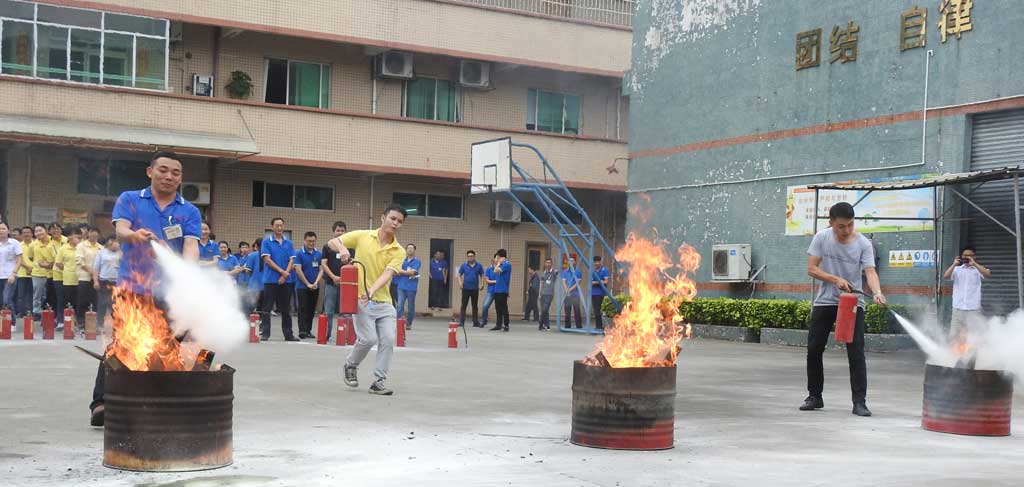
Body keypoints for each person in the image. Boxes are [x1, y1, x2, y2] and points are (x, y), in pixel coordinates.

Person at [89, 150, 203, 427]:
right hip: (132, 287)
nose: (169, 176)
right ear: (150, 172)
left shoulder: (189, 210)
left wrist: (184, 271)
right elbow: (121, 231)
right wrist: (135, 236)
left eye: (175, 173)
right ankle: (101, 402)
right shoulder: (130, 199)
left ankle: (172, 402)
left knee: (177, 344)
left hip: (170, 292)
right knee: (121, 343)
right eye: (163, 170)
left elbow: (191, 247)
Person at [801, 202, 885, 418]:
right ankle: (814, 396)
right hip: (825, 301)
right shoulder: (821, 237)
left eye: (849, 225)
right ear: (831, 223)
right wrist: (835, 278)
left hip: (852, 302)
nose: (845, 230)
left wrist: (877, 292)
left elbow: (870, 272)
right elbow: (812, 268)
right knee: (814, 348)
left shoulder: (863, 244)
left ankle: (859, 402)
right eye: (841, 226)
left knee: (855, 352)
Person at [330, 204, 407, 395]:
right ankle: (350, 365)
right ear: (383, 218)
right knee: (368, 339)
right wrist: (342, 248)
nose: (395, 223)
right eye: (393, 218)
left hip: (384, 301)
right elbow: (333, 242)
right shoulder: (363, 236)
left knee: (388, 339)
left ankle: (378, 381)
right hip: (361, 300)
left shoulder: (399, 251)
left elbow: (388, 274)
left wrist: (372, 290)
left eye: (399, 221)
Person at [943, 245, 991, 342]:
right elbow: (946, 276)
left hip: (973, 309)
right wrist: (953, 264)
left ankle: (972, 356)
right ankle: (955, 356)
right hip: (958, 309)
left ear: (974, 257)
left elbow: (987, 274)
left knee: (973, 336)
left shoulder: (978, 270)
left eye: (970, 255)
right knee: (954, 336)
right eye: (965, 255)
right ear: (961, 256)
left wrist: (974, 264)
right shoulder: (956, 269)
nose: (967, 257)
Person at [260, 218, 297, 341]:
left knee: (286, 309)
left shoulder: (289, 243)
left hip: (287, 280)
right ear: (272, 227)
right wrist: (282, 272)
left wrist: (286, 274)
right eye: (277, 225)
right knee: (267, 308)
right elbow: (267, 260)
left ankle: (289, 334)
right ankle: (265, 333)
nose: (280, 228)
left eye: (281, 225)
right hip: (271, 280)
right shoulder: (266, 242)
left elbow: (292, 260)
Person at [320, 221, 347, 341]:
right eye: (338, 230)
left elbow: (353, 263)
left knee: (345, 312)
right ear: (333, 232)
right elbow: (324, 264)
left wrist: (344, 278)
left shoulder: (349, 247)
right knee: (329, 311)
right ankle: (327, 335)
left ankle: (344, 336)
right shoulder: (327, 246)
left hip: (345, 285)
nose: (340, 233)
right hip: (331, 283)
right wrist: (333, 277)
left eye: (342, 230)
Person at [294, 231, 323, 340]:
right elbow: (298, 270)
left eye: (313, 241)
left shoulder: (319, 254)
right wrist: (307, 283)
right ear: (304, 241)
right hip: (302, 286)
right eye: (309, 241)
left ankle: (308, 330)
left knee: (311, 309)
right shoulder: (299, 253)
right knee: (302, 308)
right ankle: (302, 330)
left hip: (315, 286)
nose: (311, 243)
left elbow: (321, 270)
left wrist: (316, 283)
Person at [26, 224, 57, 319]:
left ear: (46, 231)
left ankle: (49, 312)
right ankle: (36, 312)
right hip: (38, 273)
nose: (38, 233)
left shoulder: (53, 242)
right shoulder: (33, 244)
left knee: (49, 294)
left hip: (52, 273)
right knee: (37, 294)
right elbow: (30, 257)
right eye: (36, 231)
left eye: (40, 230)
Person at [75, 226, 101, 328]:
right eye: (92, 232)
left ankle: (92, 323)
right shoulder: (81, 246)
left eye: (96, 232)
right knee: (82, 300)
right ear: (88, 233)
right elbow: (79, 260)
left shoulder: (101, 247)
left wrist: (95, 274)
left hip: (96, 279)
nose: (94, 234)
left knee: (94, 300)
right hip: (84, 277)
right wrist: (91, 271)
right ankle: (80, 321)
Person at [92, 237, 120, 331]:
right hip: (104, 280)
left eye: (116, 242)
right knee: (102, 303)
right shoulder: (101, 253)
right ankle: (99, 324)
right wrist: (95, 281)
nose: (114, 243)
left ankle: (116, 325)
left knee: (115, 304)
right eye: (112, 241)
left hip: (117, 282)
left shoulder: (121, 253)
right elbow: (96, 267)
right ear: (108, 242)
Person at [54, 226, 81, 324]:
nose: (78, 238)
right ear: (69, 237)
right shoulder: (63, 248)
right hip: (67, 279)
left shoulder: (81, 247)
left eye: (79, 236)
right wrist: (68, 270)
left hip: (80, 279)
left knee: (78, 302)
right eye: (75, 236)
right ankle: (64, 321)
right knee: (66, 301)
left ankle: (77, 322)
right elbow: (58, 263)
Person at [394, 243, 420, 330]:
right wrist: (407, 272)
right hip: (401, 286)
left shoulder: (416, 261)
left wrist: (402, 271)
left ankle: (409, 323)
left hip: (411, 287)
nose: (410, 250)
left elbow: (412, 272)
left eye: (412, 248)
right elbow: (396, 271)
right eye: (408, 248)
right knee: (400, 305)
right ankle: (399, 322)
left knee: (410, 306)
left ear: (414, 250)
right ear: (406, 250)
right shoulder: (402, 260)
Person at [457, 250, 484, 327]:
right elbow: (459, 275)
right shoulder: (464, 265)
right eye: (468, 256)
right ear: (467, 257)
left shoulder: (479, 265)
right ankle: (462, 321)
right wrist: (460, 283)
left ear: (474, 256)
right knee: (463, 305)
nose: (470, 257)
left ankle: (475, 321)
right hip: (465, 288)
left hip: (475, 288)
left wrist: (482, 284)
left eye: (471, 256)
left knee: (474, 305)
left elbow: (482, 275)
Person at [0, 222, 23, 310]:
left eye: (3, 228)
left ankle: (12, 323)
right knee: (1, 301)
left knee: (7, 299)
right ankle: (4, 322)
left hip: (10, 276)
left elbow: (19, 259)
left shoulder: (14, 243)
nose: (1, 231)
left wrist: (13, 274)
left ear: (8, 230)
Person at [489, 249, 512, 332]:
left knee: (504, 308)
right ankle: (498, 324)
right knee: (497, 308)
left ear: (501, 257)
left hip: (503, 290)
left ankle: (506, 325)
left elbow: (495, 270)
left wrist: (498, 263)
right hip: (497, 289)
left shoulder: (507, 264)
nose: (496, 259)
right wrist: (498, 263)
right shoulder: (501, 264)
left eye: (498, 257)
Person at [15, 226, 34, 317]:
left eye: (28, 232)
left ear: (32, 233)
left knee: (32, 295)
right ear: (22, 235)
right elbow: (18, 258)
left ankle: (30, 312)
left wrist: (32, 268)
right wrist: (27, 267)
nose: (26, 234)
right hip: (22, 273)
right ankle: (21, 312)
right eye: (24, 232)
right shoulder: (18, 245)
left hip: (35, 273)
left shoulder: (36, 244)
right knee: (21, 295)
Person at [243, 238, 264, 314]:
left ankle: (252, 324)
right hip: (266, 286)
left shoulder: (252, 255)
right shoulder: (269, 256)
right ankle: (262, 324)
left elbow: (248, 270)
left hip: (254, 286)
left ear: (256, 246)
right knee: (263, 309)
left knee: (251, 309)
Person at [562, 255, 583, 329]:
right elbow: (564, 282)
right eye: (569, 261)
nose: (570, 262)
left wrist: (569, 290)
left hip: (575, 294)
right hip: (567, 295)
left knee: (577, 311)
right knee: (567, 311)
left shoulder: (578, 272)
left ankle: (579, 326)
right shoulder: (565, 272)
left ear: (575, 262)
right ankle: (567, 327)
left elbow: (578, 283)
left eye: (572, 261)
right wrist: (566, 290)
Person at [590, 255, 611, 329]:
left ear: (600, 262)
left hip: (601, 293)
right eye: (595, 262)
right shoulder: (593, 271)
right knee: (596, 311)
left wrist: (596, 282)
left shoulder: (604, 270)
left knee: (601, 311)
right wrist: (599, 282)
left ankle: (602, 326)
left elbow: (606, 281)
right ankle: (598, 326)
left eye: (597, 262)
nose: (596, 263)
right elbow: (591, 282)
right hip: (593, 293)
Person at [539, 258, 557, 330]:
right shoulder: (543, 273)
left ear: (551, 264)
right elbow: (541, 283)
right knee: (545, 310)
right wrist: (539, 294)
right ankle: (547, 325)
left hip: (550, 294)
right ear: (545, 264)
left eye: (549, 263)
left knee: (544, 310)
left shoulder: (553, 272)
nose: (548, 264)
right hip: (543, 294)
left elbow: (556, 274)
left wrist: (556, 272)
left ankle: (540, 325)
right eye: (547, 263)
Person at [479, 255, 497, 328]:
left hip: (499, 291)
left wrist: (493, 281)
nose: (494, 261)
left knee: (499, 308)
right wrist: (495, 281)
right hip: (491, 291)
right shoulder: (488, 269)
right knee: (485, 306)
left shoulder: (500, 269)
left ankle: (500, 323)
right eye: (493, 260)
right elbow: (487, 281)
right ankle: (484, 321)